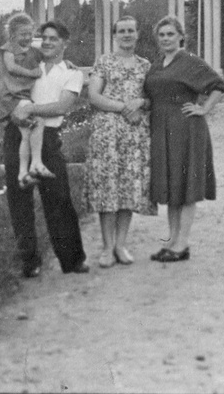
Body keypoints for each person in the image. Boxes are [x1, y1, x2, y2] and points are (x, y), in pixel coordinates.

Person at [3, 22, 88, 277]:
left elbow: (62, 106)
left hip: (48, 138)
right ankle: (30, 263)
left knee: (59, 198)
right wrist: (16, 113)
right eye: (44, 38)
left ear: (65, 43)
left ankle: (72, 260)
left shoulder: (72, 73)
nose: (47, 42)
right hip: (17, 133)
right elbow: (6, 88)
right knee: (20, 200)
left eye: (53, 38)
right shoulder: (30, 65)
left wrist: (29, 109)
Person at [144, 16, 224, 262]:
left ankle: (182, 244)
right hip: (161, 129)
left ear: (180, 36)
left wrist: (203, 109)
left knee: (186, 185)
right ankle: (172, 240)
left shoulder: (190, 61)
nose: (166, 39)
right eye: (162, 35)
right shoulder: (157, 64)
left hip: (186, 129)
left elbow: (218, 86)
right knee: (171, 186)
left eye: (170, 34)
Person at [85, 15, 154, 268]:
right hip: (107, 133)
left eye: (131, 31)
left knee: (127, 189)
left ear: (137, 34)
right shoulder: (104, 61)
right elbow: (94, 96)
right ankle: (106, 248)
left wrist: (142, 103)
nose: (126, 35)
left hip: (135, 134)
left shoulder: (146, 65)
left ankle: (120, 245)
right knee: (108, 189)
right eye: (121, 31)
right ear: (115, 35)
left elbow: (151, 98)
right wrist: (125, 106)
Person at [0, 13, 53, 189]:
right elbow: (11, 67)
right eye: (22, 34)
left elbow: (52, 57)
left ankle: (23, 173)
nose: (27, 37)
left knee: (26, 134)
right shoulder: (8, 49)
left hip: (22, 96)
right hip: (10, 97)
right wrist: (31, 73)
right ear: (12, 36)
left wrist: (68, 63)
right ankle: (35, 164)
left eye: (29, 33)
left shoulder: (32, 50)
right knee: (38, 121)